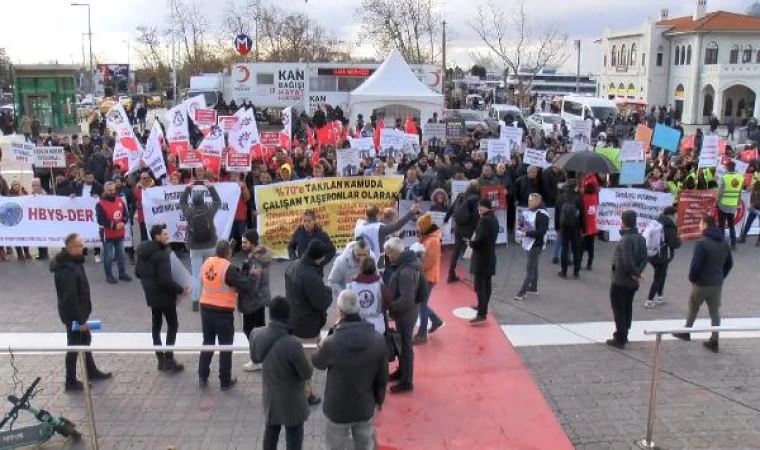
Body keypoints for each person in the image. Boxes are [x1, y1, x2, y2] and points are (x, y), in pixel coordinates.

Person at [312, 290, 389, 450]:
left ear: (340, 311)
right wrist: (379, 399)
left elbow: (317, 362)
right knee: (364, 445)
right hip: (364, 406)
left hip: (337, 409)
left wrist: (328, 337)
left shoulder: (332, 343)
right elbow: (382, 376)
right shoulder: (378, 340)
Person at [51, 233, 112, 391]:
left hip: (79, 312)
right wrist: (80, 320)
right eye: (79, 245)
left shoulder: (74, 262)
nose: (82, 246)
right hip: (73, 315)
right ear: (71, 249)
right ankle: (70, 381)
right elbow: (70, 298)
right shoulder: (66, 269)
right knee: (74, 346)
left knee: (85, 339)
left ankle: (90, 370)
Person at [251, 296, 313, 450]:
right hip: (292, 402)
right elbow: (306, 373)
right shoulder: (293, 344)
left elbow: (255, 357)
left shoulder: (257, 334)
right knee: (294, 438)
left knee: (270, 434)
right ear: (288, 315)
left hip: (271, 399)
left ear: (270, 314)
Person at [672, 214, 733, 353]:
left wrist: (693, 279)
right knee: (714, 311)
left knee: (693, 306)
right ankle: (715, 339)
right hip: (717, 284)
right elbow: (730, 263)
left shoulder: (702, 243)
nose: (699, 226)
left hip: (702, 283)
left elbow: (696, 266)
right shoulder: (724, 241)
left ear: (705, 224)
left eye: (700, 223)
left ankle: (687, 331)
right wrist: (721, 276)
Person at [197, 240, 253, 390]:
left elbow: (203, 278)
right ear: (228, 253)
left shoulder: (208, 262)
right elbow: (245, 286)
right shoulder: (228, 268)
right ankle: (225, 381)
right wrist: (249, 274)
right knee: (225, 346)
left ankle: (202, 375)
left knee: (208, 342)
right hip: (222, 312)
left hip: (206, 307)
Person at [285, 239, 333, 405]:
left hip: (294, 319)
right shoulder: (311, 276)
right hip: (307, 325)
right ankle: (305, 395)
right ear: (318, 258)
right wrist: (327, 289)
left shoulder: (293, 266)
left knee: (302, 358)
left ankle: (304, 390)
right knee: (305, 364)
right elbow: (322, 302)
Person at [135, 224, 188, 373]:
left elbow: (137, 273)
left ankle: (160, 360)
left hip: (151, 296)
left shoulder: (141, 252)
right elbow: (165, 280)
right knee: (172, 325)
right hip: (165, 297)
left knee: (156, 327)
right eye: (164, 234)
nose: (167, 236)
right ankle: (169, 359)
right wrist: (180, 289)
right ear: (157, 236)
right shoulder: (162, 254)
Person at [384, 237, 423, 393]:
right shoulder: (407, 265)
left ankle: (407, 380)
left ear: (395, 252)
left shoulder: (405, 271)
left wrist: (389, 306)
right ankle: (403, 372)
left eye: (389, 253)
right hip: (406, 313)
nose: (388, 256)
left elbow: (406, 299)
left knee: (406, 347)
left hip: (405, 314)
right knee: (403, 345)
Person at [606, 210, 648, 349]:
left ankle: (620, 337)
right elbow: (644, 259)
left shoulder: (625, 239)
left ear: (623, 222)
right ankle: (624, 333)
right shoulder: (640, 238)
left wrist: (634, 273)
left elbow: (627, 261)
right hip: (632, 283)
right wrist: (639, 272)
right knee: (627, 307)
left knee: (619, 309)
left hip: (621, 280)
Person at [179, 180, 221, 312]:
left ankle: (195, 300)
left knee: (196, 275)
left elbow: (182, 203)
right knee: (211, 272)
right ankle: (212, 298)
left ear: (193, 200)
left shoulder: (189, 212)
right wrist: (210, 187)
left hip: (195, 246)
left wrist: (187, 188)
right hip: (210, 245)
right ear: (203, 200)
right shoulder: (209, 210)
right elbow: (217, 201)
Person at [240, 229, 273, 372]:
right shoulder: (260, 255)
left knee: (249, 330)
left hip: (253, 300)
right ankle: (265, 356)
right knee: (260, 327)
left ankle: (257, 358)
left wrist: (241, 280)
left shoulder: (254, 260)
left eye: (245, 242)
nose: (242, 245)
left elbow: (253, 283)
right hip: (261, 298)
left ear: (253, 243)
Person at [413, 213, 444, 344]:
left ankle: (422, 335)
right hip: (428, 276)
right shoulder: (429, 238)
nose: (418, 229)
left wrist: (415, 265)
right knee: (422, 304)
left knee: (421, 306)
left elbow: (427, 263)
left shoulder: (432, 241)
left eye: (419, 226)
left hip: (428, 277)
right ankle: (435, 320)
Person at [443, 180, 481, 282]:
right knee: (475, 252)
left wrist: (446, 219)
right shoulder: (476, 198)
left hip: (458, 228)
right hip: (469, 230)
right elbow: (476, 216)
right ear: (477, 187)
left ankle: (451, 274)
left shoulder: (461, 195)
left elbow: (451, 208)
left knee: (456, 251)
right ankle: (475, 278)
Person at [469, 198, 500, 324]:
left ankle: (482, 313)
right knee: (487, 284)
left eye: (480, 207)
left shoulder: (484, 221)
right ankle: (483, 307)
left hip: (481, 257)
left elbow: (480, 239)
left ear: (485, 207)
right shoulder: (494, 219)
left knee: (479, 286)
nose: (479, 210)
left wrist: (471, 243)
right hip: (490, 255)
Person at [514, 193, 550, 300]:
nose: (529, 202)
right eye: (529, 200)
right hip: (528, 243)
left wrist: (527, 234)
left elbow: (541, 232)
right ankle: (533, 287)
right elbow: (523, 226)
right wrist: (520, 224)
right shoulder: (529, 211)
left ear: (538, 202)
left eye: (531, 201)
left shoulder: (542, 214)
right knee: (534, 265)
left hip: (535, 244)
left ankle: (522, 292)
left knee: (530, 268)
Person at [96, 181, 132, 284]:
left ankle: (122, 274)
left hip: (119, 233)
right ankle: (109, 276)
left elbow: (125, 214)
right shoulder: (100, 204)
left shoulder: (120, 200)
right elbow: (100, 219)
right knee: (108, 256)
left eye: (113, 190)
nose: (112, 192)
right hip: (107, 234)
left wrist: (123, 222)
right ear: (105, 190)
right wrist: (114, 225)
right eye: (110, 190)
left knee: (120, 254)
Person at [645, 207, 680, 309]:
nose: (677, 216)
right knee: (659, 277)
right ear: (672, 215)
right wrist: (679, 240)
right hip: (662, 256)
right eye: (676, 214)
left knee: (661, 276)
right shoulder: (669, 226)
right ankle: (649, 300)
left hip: (653, 254)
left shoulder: (659, 222)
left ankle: (660, 297)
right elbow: (674, 243)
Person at [354, 203, 419, 258]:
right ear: (377, 215)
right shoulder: (379, 228)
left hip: (359, 261)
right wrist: (412, 212)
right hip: (376, 263)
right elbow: (397, 226)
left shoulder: (358, 226)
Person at [348, 257, 390, 334]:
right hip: (377, 326)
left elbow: (346, 307)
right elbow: (388, 303)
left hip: (357, 325)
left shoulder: (351, 286)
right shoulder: (380, 285)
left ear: (360, 269)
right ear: (374, 269)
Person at [288, 210, 336, 275]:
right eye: (304, 221)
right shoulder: (298, 233)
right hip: (302, 269)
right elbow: (291, 247)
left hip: (316, 271)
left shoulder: (321, 234)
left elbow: (332, 250)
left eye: (309, 221)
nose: (306, 224)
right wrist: (294, 260)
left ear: (314, 221)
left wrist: (323, 260)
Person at [555, 179, 584, 279]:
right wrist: (583, 228)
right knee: (576, 249)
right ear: (575, 187)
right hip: (575, 226)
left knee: (564, 248)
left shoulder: (560, 197)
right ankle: (576, 271)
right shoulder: (578, 198)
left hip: (564, 226)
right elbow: (582, 215)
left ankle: (564, 271)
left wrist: (557, 227)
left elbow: (557, 213)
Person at [716, 160, 743, 250]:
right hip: (733, 205)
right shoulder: (740, 178)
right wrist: (737, 201)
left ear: (727, 168)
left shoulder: (724, 178)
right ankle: (733, 244)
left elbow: (719, 192)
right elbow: (739, 192)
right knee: (731, 225)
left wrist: (717, 202)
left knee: (721, 225)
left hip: (723, 205)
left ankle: (721, 244)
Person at [738, 179, 760, 246]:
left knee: (748, 223)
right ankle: (757, 242)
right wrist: (752, 205)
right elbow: (752, 200)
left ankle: (743, 238)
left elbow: (752, 201)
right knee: (748, 223)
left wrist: (751, 206)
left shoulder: (754, 190)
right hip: (755, 209)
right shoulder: (754, 191)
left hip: (754, 209)